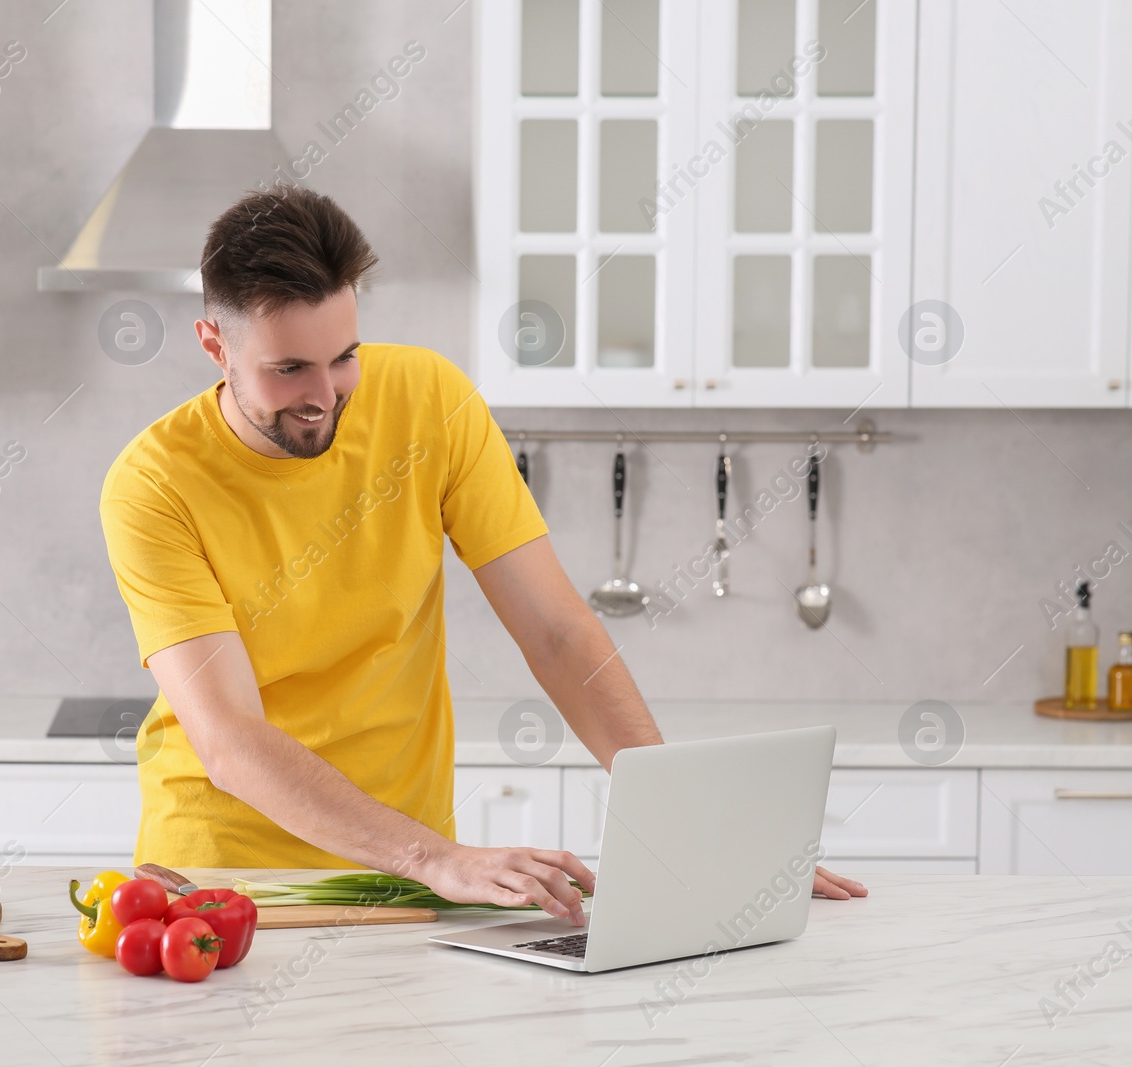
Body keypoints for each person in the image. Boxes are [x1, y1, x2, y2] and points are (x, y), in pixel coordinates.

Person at [100, 184, 866, 924]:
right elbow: (230, 738)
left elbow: (557, 633)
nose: (326, 394)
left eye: (344, 356)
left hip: (408, 877)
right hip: (234, 886)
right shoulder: (153, 486)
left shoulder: (429, 399)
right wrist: (436, 856)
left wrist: (688, 825)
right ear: (215, 346)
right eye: (288, 368)